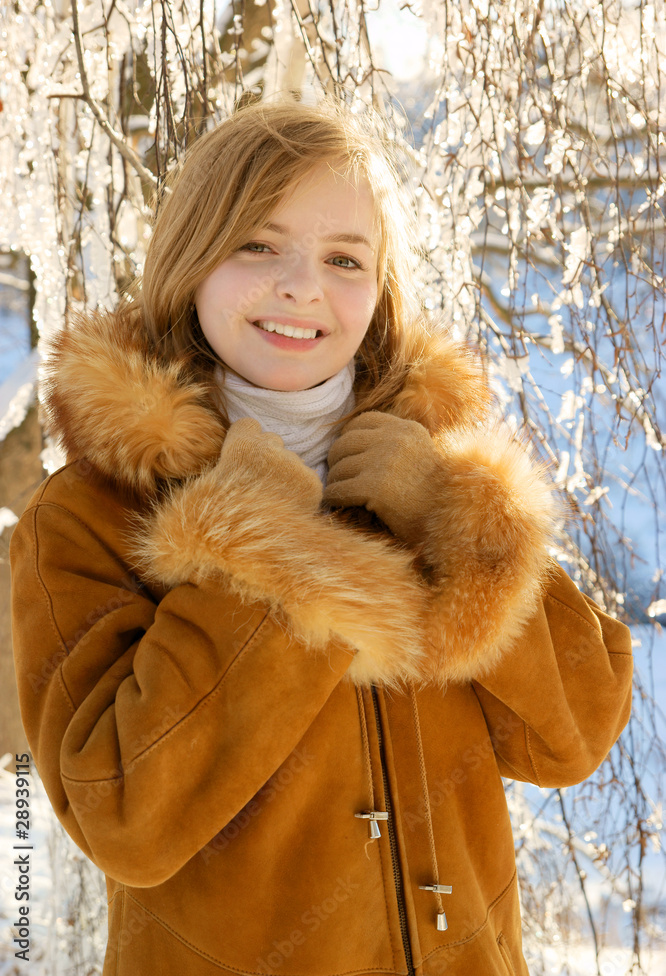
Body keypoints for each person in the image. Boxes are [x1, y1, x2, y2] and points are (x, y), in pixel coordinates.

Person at [10, 97, 632, 976]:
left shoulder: (428, 475)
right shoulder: (86, 516)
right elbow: (122, 817)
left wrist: (455, 522)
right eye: (258, 245)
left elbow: (575, 733)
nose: (303, 286)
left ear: (379, 290)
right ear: (192, 257)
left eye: (345, 259)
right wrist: (258, 545)